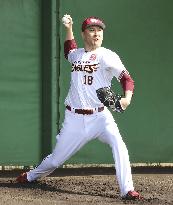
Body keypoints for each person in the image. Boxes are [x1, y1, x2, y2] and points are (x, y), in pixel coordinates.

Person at [16, 14, 142, 200]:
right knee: (56, 159)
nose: (97, 34)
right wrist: (68, 28)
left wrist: (127, 98)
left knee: (120, 146)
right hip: (75, 119)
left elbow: (126, 79)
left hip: (101, 117)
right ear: (84, 34)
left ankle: (127, 190)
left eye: (99, 30)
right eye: (92, 30)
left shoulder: (108, 56)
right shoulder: (77, 55)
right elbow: (69, 50)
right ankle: (31, 176)